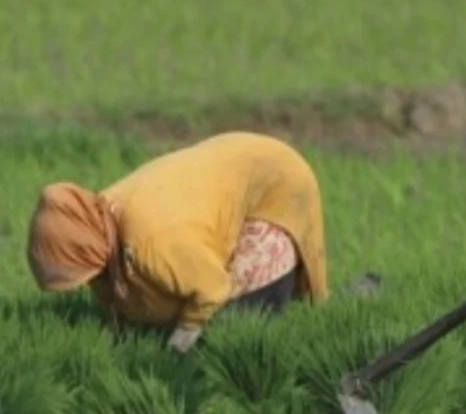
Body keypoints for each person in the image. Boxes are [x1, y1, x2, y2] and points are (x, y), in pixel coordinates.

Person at [26, 131, 329, 354]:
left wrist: (184, 336)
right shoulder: (93, 223)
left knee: (234, 326)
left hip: (274, 179)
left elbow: (213, 288)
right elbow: (112, 291)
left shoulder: (154, 241)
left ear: (85, 250)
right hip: (214, 180)